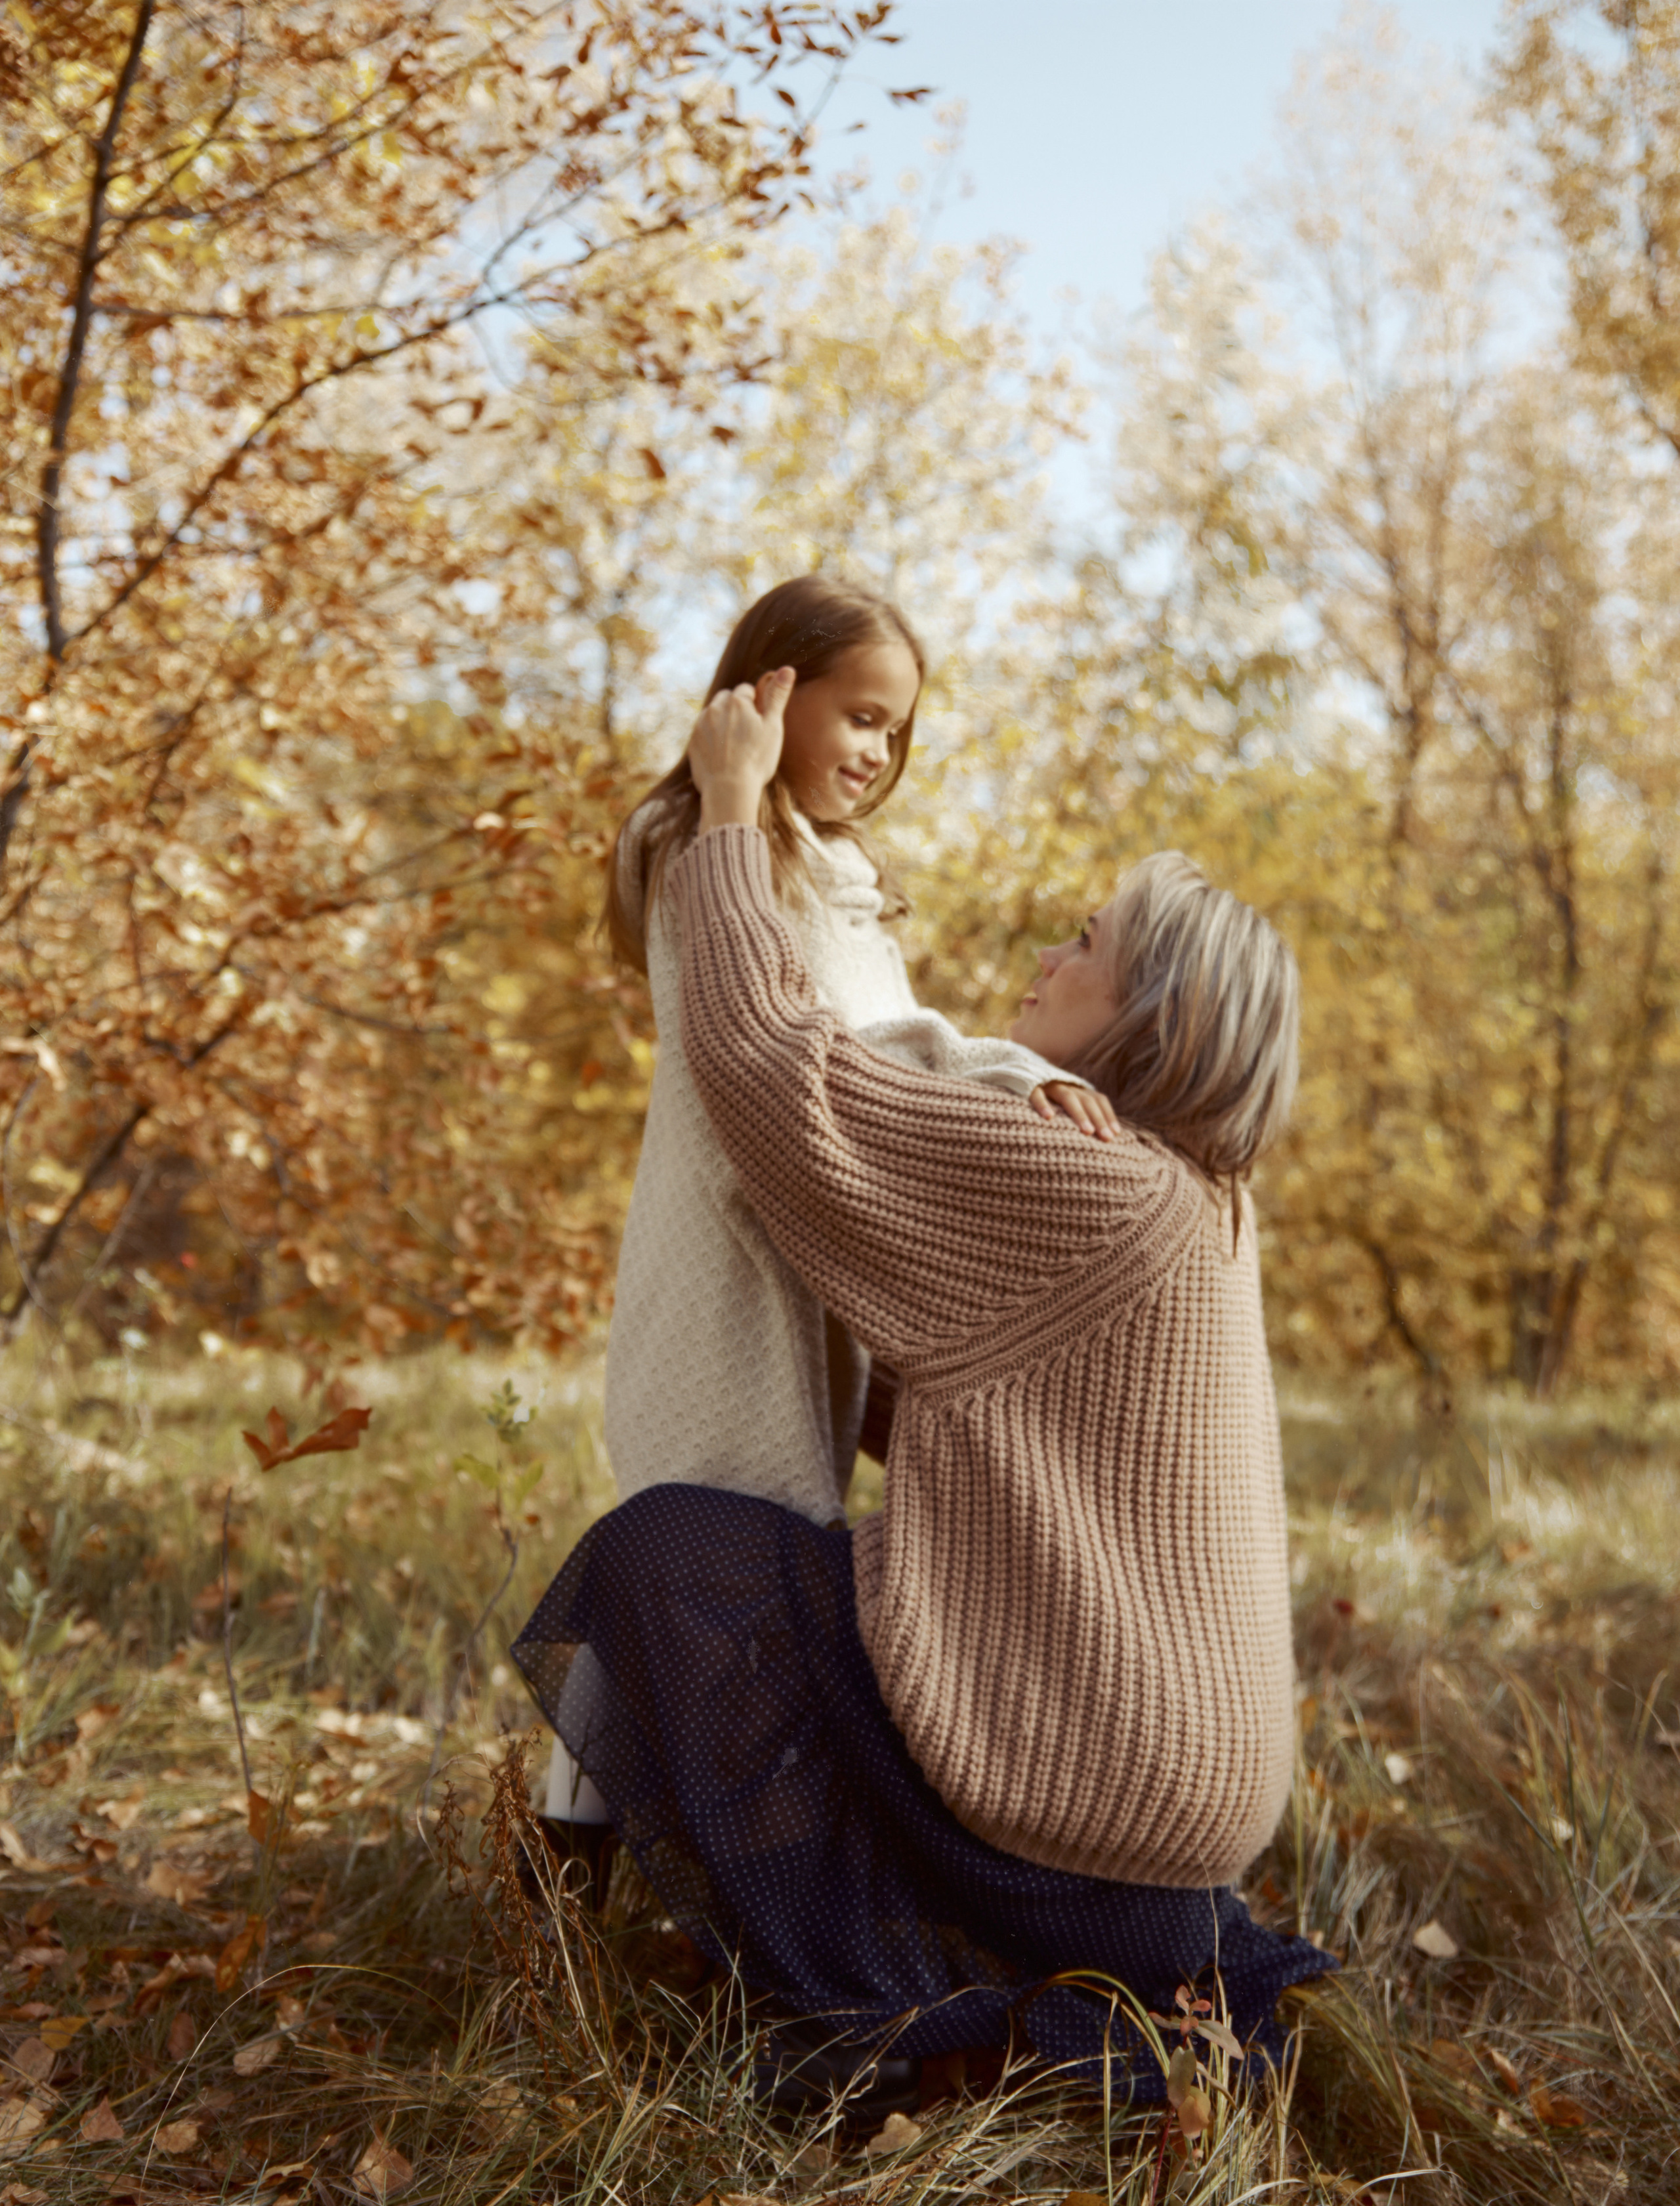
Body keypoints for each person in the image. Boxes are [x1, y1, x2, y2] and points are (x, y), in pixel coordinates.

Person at [514, 669, 1335, 2118]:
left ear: (1148, 1014)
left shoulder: (1080, 1179)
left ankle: (892, 2011)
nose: (1043, 952)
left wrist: (719, 814)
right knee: (834, 1583)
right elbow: (995, 1425)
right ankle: (958, 1946)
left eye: (1081, 944)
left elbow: (780, 1086)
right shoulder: (1196, 1201)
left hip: (1076, 1805)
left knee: (665, 1558)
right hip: (1177, 1834)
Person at [539, 577, 1117, 1878]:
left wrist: (1017, 1079)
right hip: (721, 1266)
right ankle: (579, 1858)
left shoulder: (845, 881)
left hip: (807, 1272)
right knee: (700, 1555)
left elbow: (888, 1056)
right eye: (857, 716)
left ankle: (670, 1855)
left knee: (746, 1569)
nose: (875, 753)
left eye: (897, 734)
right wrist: (733, 792)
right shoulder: (693, 843)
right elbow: (798, 1050)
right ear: (769, 694)